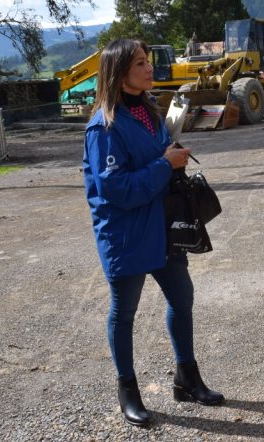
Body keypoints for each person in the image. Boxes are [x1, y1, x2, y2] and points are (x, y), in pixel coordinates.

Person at [82, 38, 225, 427]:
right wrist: (165, 164)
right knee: (124, 312)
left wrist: (173, 157)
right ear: (119, 73)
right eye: (141, 64)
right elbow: (117, 189)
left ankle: (187, 378)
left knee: (182, 298)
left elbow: (157, 157)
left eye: (147, 62)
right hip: (127, 234)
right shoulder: (103, 127)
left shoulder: (150, 111)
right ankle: (128, 390)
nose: (149, 69)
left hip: (163, 227)